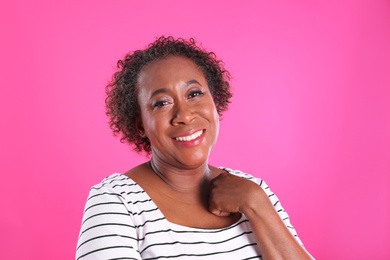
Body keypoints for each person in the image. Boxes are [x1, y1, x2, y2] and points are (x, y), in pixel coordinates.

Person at [76, 36, 313, 259]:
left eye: (194, 94)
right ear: (140, 125)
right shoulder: (117, 202)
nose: (185, 115)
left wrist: (256, 204)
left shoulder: (255, 191)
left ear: (215, 101)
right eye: (162, 103)